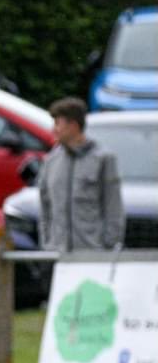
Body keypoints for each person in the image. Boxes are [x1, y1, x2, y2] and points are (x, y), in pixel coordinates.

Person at [39, 96, 124, 252]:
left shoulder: (103, 159)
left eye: (58, 123)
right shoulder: (51, 161)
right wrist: (47, 243)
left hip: (91, 255)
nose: (53, 130)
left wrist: (108, 245)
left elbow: (113, 207)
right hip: (57, 254)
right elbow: (45, 207)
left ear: (73, 126)